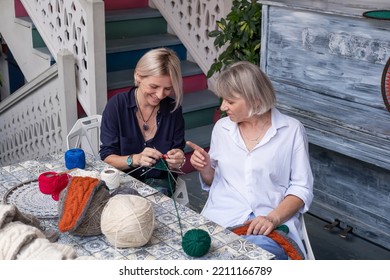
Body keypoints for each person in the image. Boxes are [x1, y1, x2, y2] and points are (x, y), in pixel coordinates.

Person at [186, 61, 314, 259]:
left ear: (254, 100)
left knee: (253, 256)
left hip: (271, 222)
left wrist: (272, 218)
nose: (223, 106)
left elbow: (301, 188)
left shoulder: (292, 130)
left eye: (230, 101)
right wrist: (205, 168)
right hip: (223, 217)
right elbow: (215, 181)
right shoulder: (222, 128)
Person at [100, 48, 186, 197]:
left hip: (160, 186)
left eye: (168, 88)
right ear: (138, 76)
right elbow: (107, 158)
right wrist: (135, 159)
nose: (160, 95)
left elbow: (178, 151)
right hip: (122, 184)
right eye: (154, 86)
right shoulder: (117, 106)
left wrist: (178, 158)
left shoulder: (173, 110)